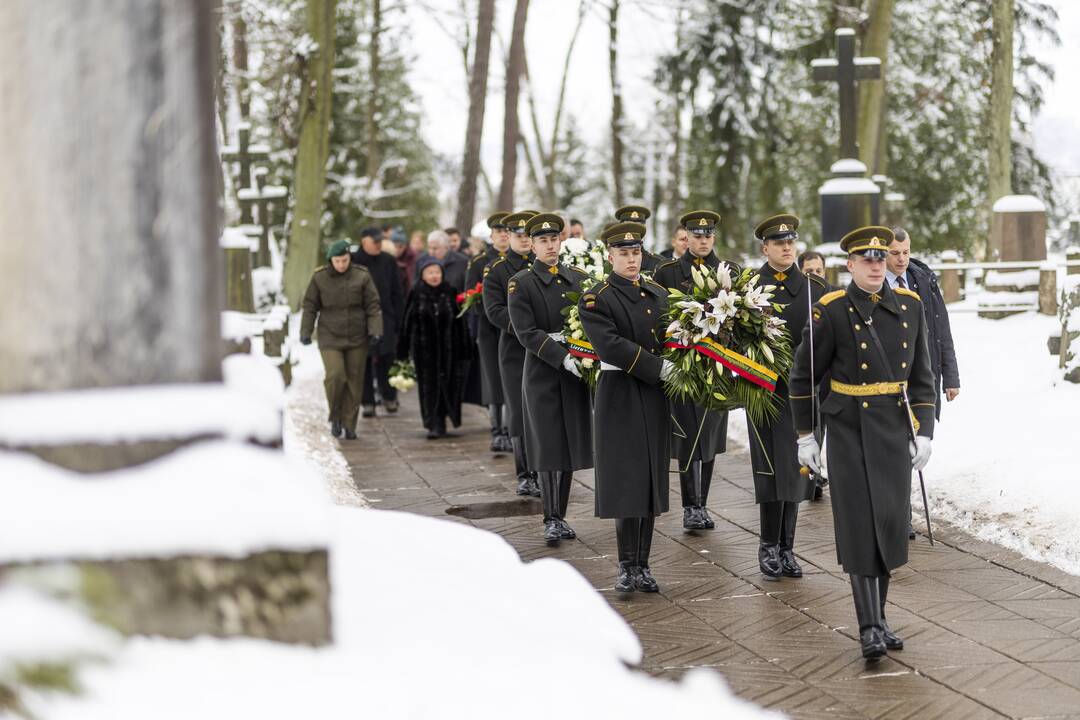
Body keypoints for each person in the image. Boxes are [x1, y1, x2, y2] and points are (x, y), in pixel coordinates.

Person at [789, 226, 936, 660]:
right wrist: (805, 436)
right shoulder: (830, 310)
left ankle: (882, 617)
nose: (875, 266)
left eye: (880, 259)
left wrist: (924, 430)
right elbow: (803, 377)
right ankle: (869, 626)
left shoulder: (910, 305)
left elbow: (923, 376)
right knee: (858, 526)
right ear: (850, 265)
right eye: (866, 260)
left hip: (894, 430)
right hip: (849, 428)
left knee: (889, 526)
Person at [578, 221, 673, 593]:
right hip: (620, 392)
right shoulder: (596, 297)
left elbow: (670, 334)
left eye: (636, 253)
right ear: (610, 255)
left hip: (653, 395)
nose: (632, 260)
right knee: (626, 479)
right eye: (624, 253)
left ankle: (644, 564)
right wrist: (657, 366)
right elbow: (610, 345)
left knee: (650, 477)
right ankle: (626, 564)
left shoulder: (657, 293)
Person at [748, 214, 829, 579]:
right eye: (778, 243)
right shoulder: (748, 289)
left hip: (800, 394)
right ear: (765, 248)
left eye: (790, 241)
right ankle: (768, 545)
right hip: (764, 392)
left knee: (798, 470)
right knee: (769, 470)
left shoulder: (815, 289)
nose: (785, 247)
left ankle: (787, 547)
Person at [507, 213, 594, 543]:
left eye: (554, 239)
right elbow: (526, 332)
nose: (550, 246)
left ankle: (562, 513)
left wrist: (584, 355)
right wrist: (562, 357)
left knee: (570, 441)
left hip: (575, 369)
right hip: (543, 370)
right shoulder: (521, 283)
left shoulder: (579, 278)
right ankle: (551, 516)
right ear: (531, 244)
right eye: (543, 240)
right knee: (547, 441)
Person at [653, 210, 740, 531]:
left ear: (714, 237)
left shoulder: (729, 270)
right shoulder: (668, 272)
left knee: (712, 434)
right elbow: (659, 317)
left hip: (717, 366)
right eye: (696, 235)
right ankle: (691, 506)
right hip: (684, 366)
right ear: (685, 237)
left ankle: (703, 502)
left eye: (708, 235)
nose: (703, 240)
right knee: (689, 434)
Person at [300, 239, 383, 440]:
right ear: (331, 260)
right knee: (336, 376)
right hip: (330, 334)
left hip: (357, 335)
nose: (341, 265)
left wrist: (375, 330)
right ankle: (336, 416)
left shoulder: (361, 276)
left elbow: (373, 304)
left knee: (355, 381)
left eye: (344, 260)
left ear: (349, 258)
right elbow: (310, 305)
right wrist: (305, 331)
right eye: (337, 261)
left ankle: (349, 424)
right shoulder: (320, 278)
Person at [484, 210, 540, 497]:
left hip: (542, 350)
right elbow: (494, 310)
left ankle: (543, 470)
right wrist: (524, 328)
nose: (522, 240)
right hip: (515, 350)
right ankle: (524, 473)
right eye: (517, 235)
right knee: (518, 411)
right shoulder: (497, 270)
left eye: (526, 236)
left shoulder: (542, 267)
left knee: (541, 411)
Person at [397, 256, 474, 438]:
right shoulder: (416, 292)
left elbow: (460, 320)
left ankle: (443, 421)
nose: (434, 276)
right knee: (429, 387)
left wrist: (466, 348)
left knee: (449, 385)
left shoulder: (450, 291)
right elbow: (407, 322)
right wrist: (403, 350)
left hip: (450, 349)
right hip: (425, 351)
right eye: (430, 272)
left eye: (437, 272)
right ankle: (432, 423)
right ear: (422, 275)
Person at [886, 227, 960, 416]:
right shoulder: (875, 284)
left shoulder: (924, 281)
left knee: (924, 439)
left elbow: (941, 328)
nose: (901, 259)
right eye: (894, 253)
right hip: (890, 379)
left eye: (906, 252)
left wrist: (950, 377)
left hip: (925, 374)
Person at [466, 212, 513, 452]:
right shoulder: (479, 263)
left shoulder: (520, 261)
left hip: (514, 329)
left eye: (507, 232)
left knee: (512, 381)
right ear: (492, 236)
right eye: (499, 232)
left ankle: (511, 429)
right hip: (488, 329)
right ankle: (497, 430)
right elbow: (468, 298)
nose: (503, 236)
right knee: (493, 379)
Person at [351, 227, 405, 418]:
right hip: (360, 318)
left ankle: (389, 396)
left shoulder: (388, 261)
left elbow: (397, 292)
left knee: (387, 357)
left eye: (380, 241)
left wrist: (400, 319)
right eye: (374, 241)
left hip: (386, 316)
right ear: (363, 241)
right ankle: (367, 401)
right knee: (364, 361)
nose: (378, 244)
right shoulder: (353, 260)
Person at [613, 205, 664, 273]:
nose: (633, 232)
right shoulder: (608, 261)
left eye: (638, 227)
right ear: (620, 229)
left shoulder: (659, 264)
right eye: (629, 227)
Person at [393, 229, 417, 296]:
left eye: (400, 246)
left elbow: (412, 279)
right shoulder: (389, 257)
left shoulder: (412, 257)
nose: (397, 249)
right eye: (395, 246)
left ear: (405, 246)